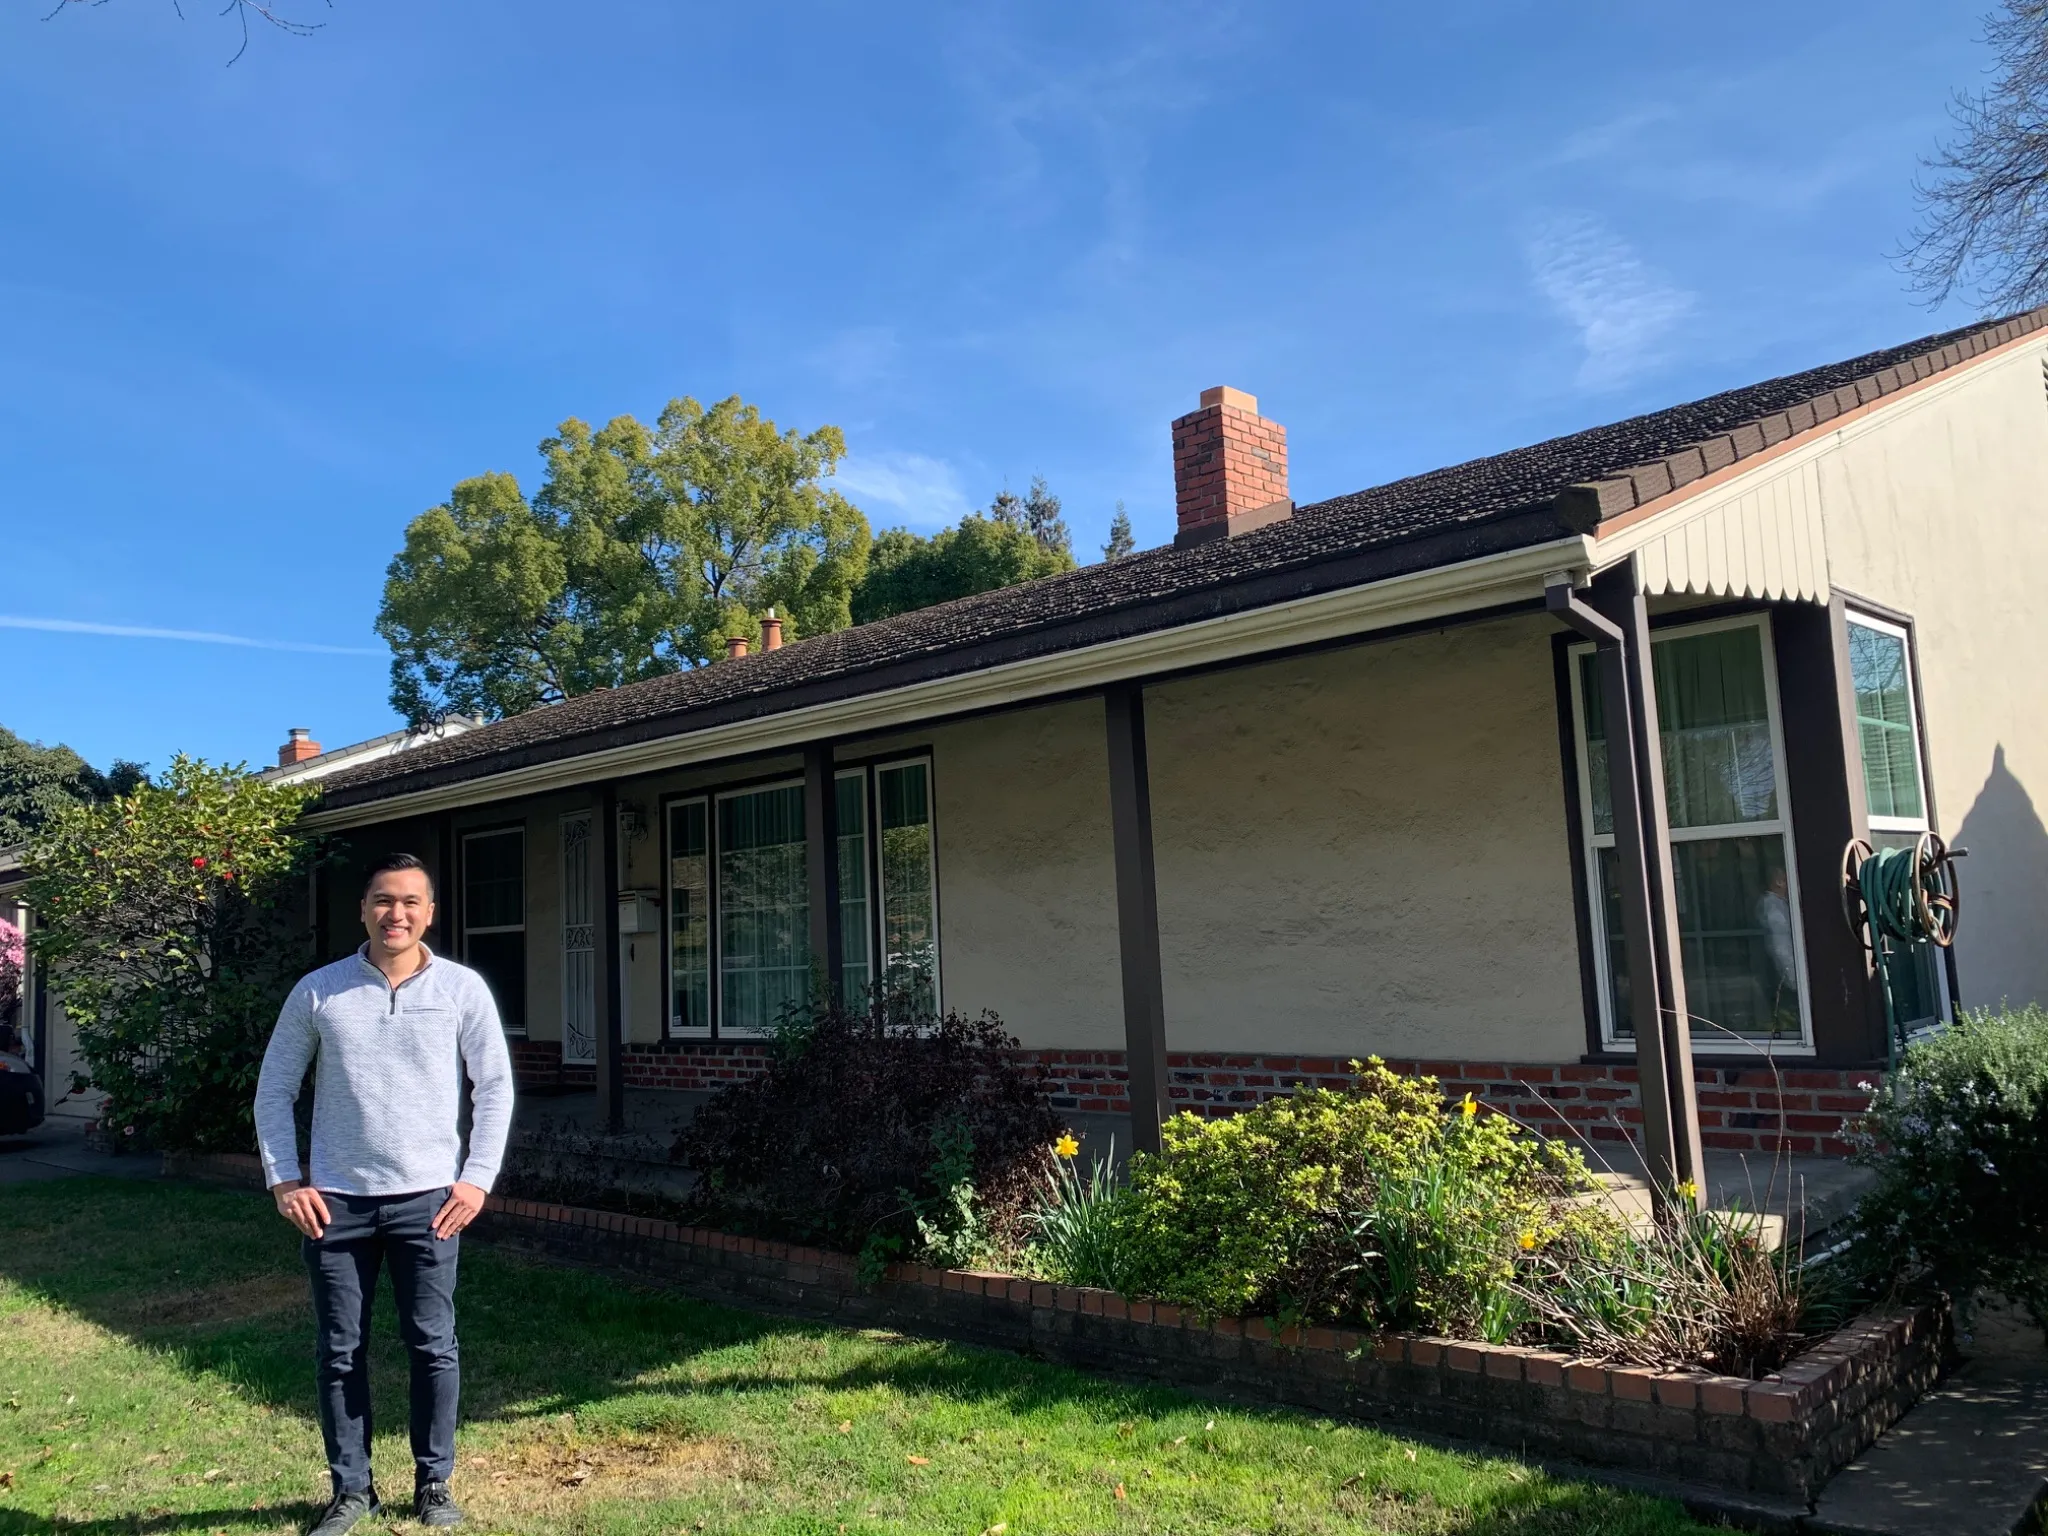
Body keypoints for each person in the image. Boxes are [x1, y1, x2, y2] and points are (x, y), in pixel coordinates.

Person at [254, 852, 515, 1534]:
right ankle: (350, 1490)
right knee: (340, 1349)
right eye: (382, 900)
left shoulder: (462, 991)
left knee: (434, 1344)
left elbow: (493, 1088)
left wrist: (477, 1179)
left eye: (409, 902)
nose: (394, 914)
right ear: (363, 909)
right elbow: (274, 1089)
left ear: (430, 913)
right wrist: (285, 1179)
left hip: (430, 1201)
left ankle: (434, 1485)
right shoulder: (319, 991)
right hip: (335, 1203)